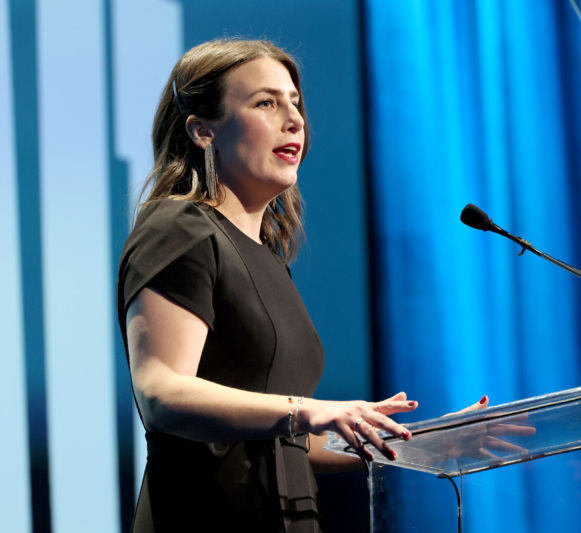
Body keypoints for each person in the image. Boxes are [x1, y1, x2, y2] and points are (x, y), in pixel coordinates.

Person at [116, 38, 442, 532]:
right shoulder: (178, 228)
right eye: (266, 102)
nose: (294, 119)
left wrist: (428, 440)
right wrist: (309, 409)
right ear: (203, 131)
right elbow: (161, 391)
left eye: (294, 102)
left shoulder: (266, 258)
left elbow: (289, 441)